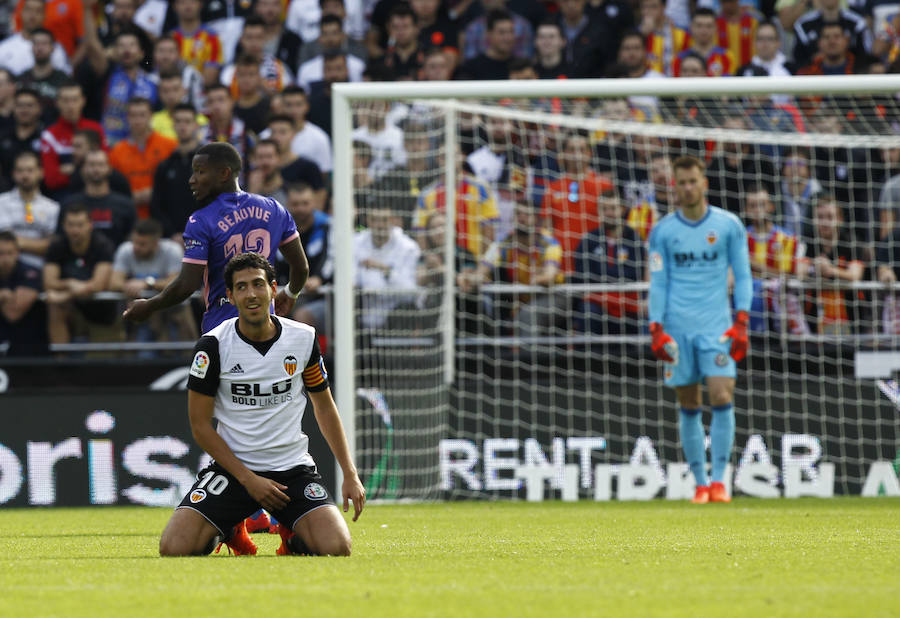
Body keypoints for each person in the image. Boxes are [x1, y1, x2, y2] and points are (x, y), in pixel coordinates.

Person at [158, 251, 365, 557]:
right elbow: (200, 426)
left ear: (273, 288)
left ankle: (292, 536)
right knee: (174, 548)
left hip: (292, 470)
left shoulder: (303, 338)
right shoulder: (213, 346)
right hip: (233, 472)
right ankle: (227, 528)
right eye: (241, 287)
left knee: (337, 547)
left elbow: (324, 406)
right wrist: (248, 479)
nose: (251, 294)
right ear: (229, 295)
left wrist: (349, 472)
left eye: (258, 284)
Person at [647, 155, 752, 504]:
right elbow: (658, 282)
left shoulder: (728, 225)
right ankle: (700, 484)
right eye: (681, 182)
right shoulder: (662, 231)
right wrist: (656, 327)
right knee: (688, 402)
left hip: (717, 327)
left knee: (722, 395)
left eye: (693, 181)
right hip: (677, 329)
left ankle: (720, 481)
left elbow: (745, 275)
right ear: (673, 186)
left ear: (704, 183)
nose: (688, 188)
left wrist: (742, 321)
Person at [122, 141, 309, 334]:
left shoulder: (202, 220)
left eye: (200, 172)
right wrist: (290, 293)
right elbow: (301, 267)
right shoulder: (275, 209)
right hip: (265, 330)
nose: (192, 180)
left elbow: (187, 285)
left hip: (222, 331)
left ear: (224, 174)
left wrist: (149, 306)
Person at [110, 218, 197, 350]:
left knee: (180, 355)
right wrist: (129, 287)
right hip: (141, 316)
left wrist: (147, 283)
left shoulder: (172, 250)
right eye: (135, 242)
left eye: (142, 244)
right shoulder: (125, 250)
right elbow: (114, 282)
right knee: (142, 356)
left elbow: (178, 282)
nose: (136, 247)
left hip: (174, 313)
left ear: (156, 243)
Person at [43, 202, 120, 347]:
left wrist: (65, 295)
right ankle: (61, 362)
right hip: (72, 309)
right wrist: (70, 283)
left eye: (80, 225)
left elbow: (98, 285)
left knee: (101, 361)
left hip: (101, 310)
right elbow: (49, 282)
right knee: (55, 307)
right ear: (64, 225)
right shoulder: (57, 245)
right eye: (71, 225)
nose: (75, 230)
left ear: (90, 224)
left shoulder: (103, 245)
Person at [0, 151, 60, 268]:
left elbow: (52, 246)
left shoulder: (53, 208)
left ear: (40, 173)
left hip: (38, 269)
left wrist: (16, 242)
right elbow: (2, 242)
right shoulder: (1, 203)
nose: (25, 175)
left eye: (30, 170)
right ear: (13, 174)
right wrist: (39, 244)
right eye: (20, 171)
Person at [0, 230, 48, 356]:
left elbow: (12, 313)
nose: (5, 259)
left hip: (28, 345)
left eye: (9, 253)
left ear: (17, 253)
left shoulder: (30, 272)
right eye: (0, 253)